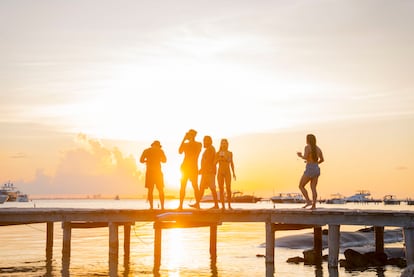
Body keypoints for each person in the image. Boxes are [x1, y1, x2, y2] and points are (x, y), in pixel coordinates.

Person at [189, 135, 219, 209]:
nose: (204, 142)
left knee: (212, 188)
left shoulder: (211, 149)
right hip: (205, 172)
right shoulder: (208, 149)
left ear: (210, 141)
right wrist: (202, 170)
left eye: (206, 140)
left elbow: (208, 161)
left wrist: (201, 170)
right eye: (204, 140)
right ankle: (197, 203)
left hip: (209, 172)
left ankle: (216, 205)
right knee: (201, 188)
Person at [297, 134, 324, 209]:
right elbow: (322, 159)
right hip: (316, 169)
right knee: (313, 188)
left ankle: (308, 201)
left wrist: (300, 155)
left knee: (301, 186)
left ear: (308, 140)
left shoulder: (307, 147)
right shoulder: (318, 148)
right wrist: (315, 163)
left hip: (309, 169)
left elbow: (305, 157)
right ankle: (314, 205)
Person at [178, 129, 202, 210]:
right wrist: (183, 139)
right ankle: (180, 205)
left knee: (195, 186)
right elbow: (180, 151)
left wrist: (190, 140)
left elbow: (197, 151)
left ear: (194, 135)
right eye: (189, 134)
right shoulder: (185, 144)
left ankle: (198, 204)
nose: (189, 135)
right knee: (182, 186)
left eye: (191, 134)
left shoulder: (198, 144)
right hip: (184, 167)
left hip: (193, 167)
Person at [140, 140, 166, 210]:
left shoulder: (146, 151)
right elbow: (164, 160)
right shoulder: (160, 151)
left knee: (150, 190)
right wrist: (158, 159)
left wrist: (147, 160)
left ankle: (151, 207)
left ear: (152, 145)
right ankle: (162, 207)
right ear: (157, 145)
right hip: (158, 172)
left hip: (150, 172)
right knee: (160, 190)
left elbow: (141, 160)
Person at [215, 138, 236, 210]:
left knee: (228, 188)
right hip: (220, 172)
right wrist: (219, 159)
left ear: (227, 144)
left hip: (227, 171)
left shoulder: (230, 153)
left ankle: (229, 205)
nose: (223, 144)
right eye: (222, 143)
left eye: (225, 143)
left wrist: (233, 173)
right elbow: (214, 163)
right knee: (221, 189)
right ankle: (223, 206)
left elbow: (231, 163)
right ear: (220, 144)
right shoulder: (218, 153)